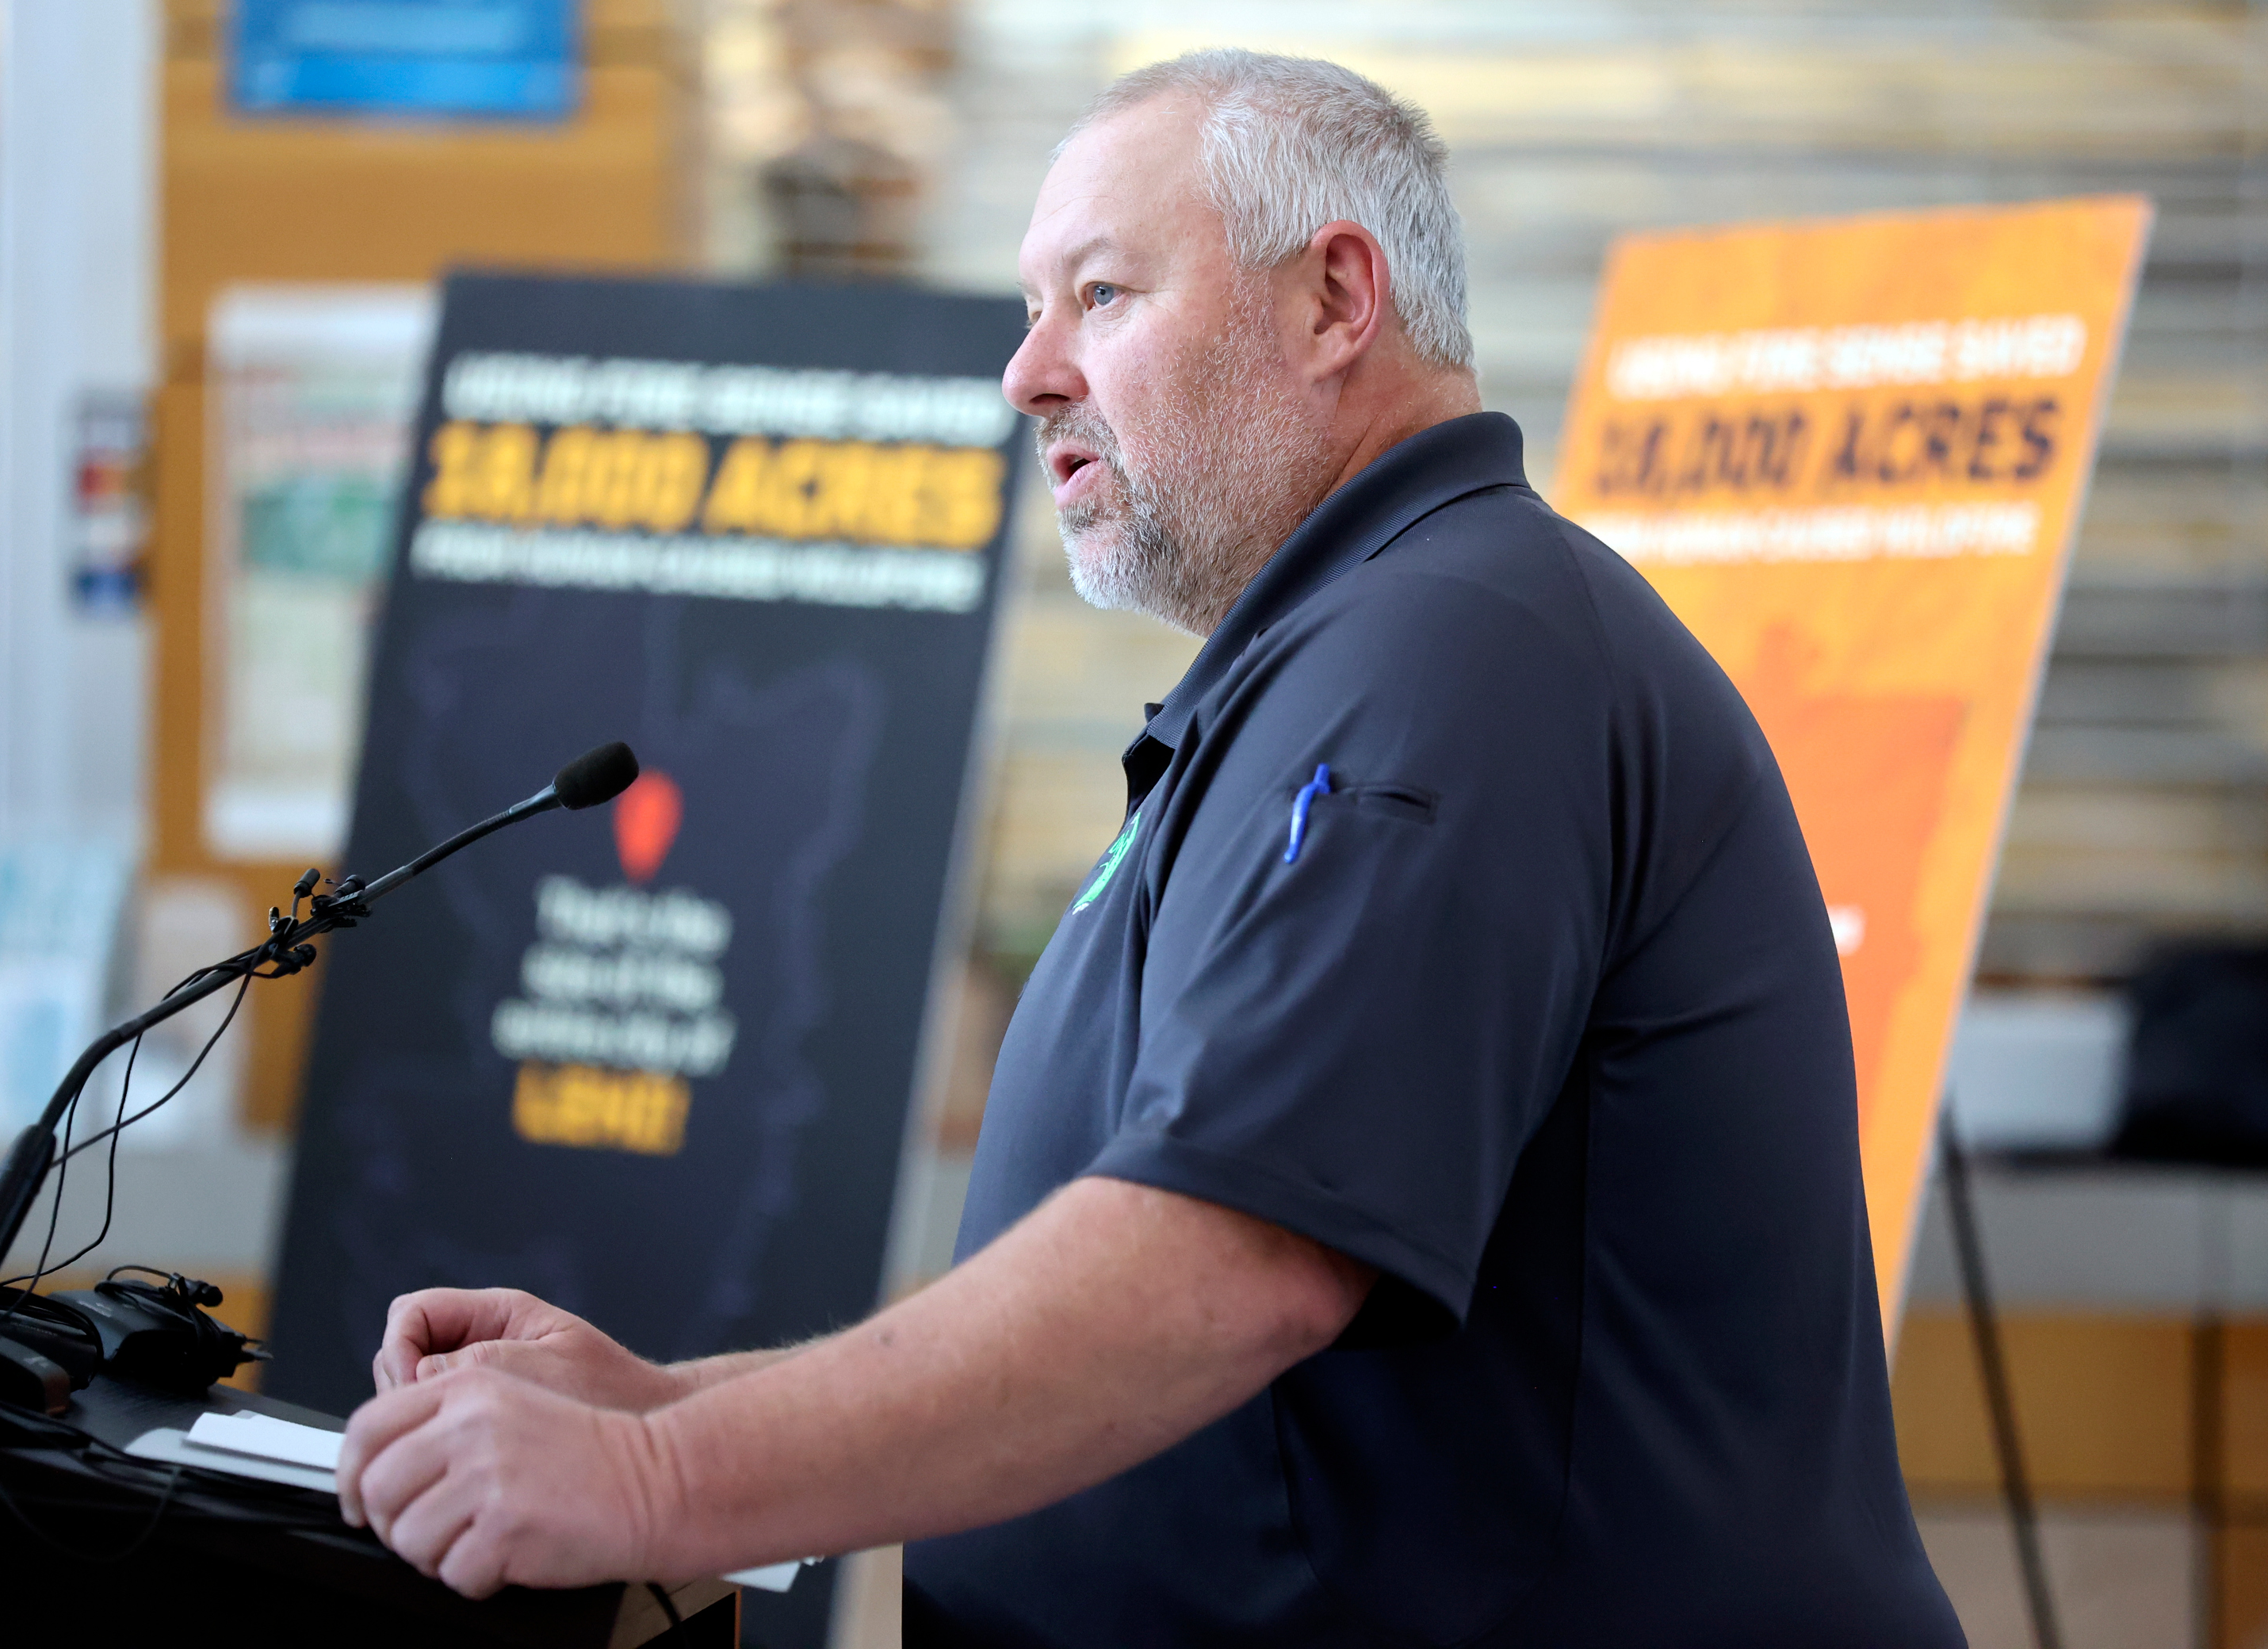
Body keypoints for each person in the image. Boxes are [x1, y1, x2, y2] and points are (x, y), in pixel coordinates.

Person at [337, 50, 1965, 1647]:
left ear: (1337, 300)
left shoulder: (1460, 650)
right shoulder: (1340, 662)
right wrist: (669, 1395)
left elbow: (1230, 1261)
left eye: (1100, 295)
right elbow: (1165, 1289)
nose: (1028, 372)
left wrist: (653, 1471)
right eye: (1032, 308)